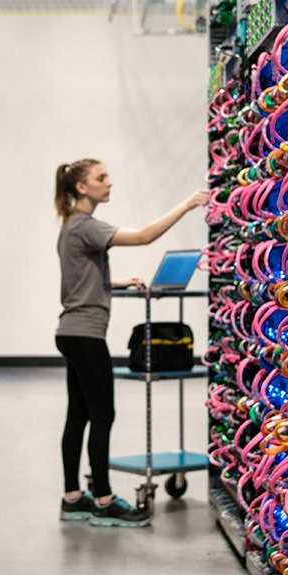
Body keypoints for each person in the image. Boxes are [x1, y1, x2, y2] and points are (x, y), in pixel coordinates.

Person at [52, 158, 208, 527]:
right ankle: (103, 499)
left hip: (71, 332)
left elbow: (78, 280)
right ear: (81, 188)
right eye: (101, 178)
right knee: (102, 414)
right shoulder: (86, 226)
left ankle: (73, 497)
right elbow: (142, 236)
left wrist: (114, 282)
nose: (109, 183)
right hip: (86, 334)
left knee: (79, 415)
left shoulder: (71, 226)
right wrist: (186, 205)